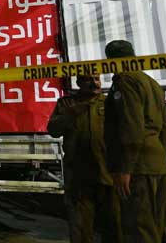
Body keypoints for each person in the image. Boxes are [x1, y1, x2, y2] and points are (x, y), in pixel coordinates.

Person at [103, 40, 166, 243]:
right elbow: (165, 127)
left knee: (139, 229)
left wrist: (126, 169)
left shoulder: (125, 81)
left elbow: (132, 126)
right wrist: (159, 156)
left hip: (138, 167)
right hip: (157, 164)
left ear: (110, 60)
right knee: (157, 227)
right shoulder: (152, 83)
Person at [47, 75, 122, 243]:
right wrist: (70, 115)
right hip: (79, 176)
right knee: (80, 229)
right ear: (79, 83)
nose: (94, 83)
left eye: (97, 79)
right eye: (89, 80)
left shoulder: (109, 102)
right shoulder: (66, 103)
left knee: (114, 226)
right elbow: (53, 130)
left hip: (108, 174)